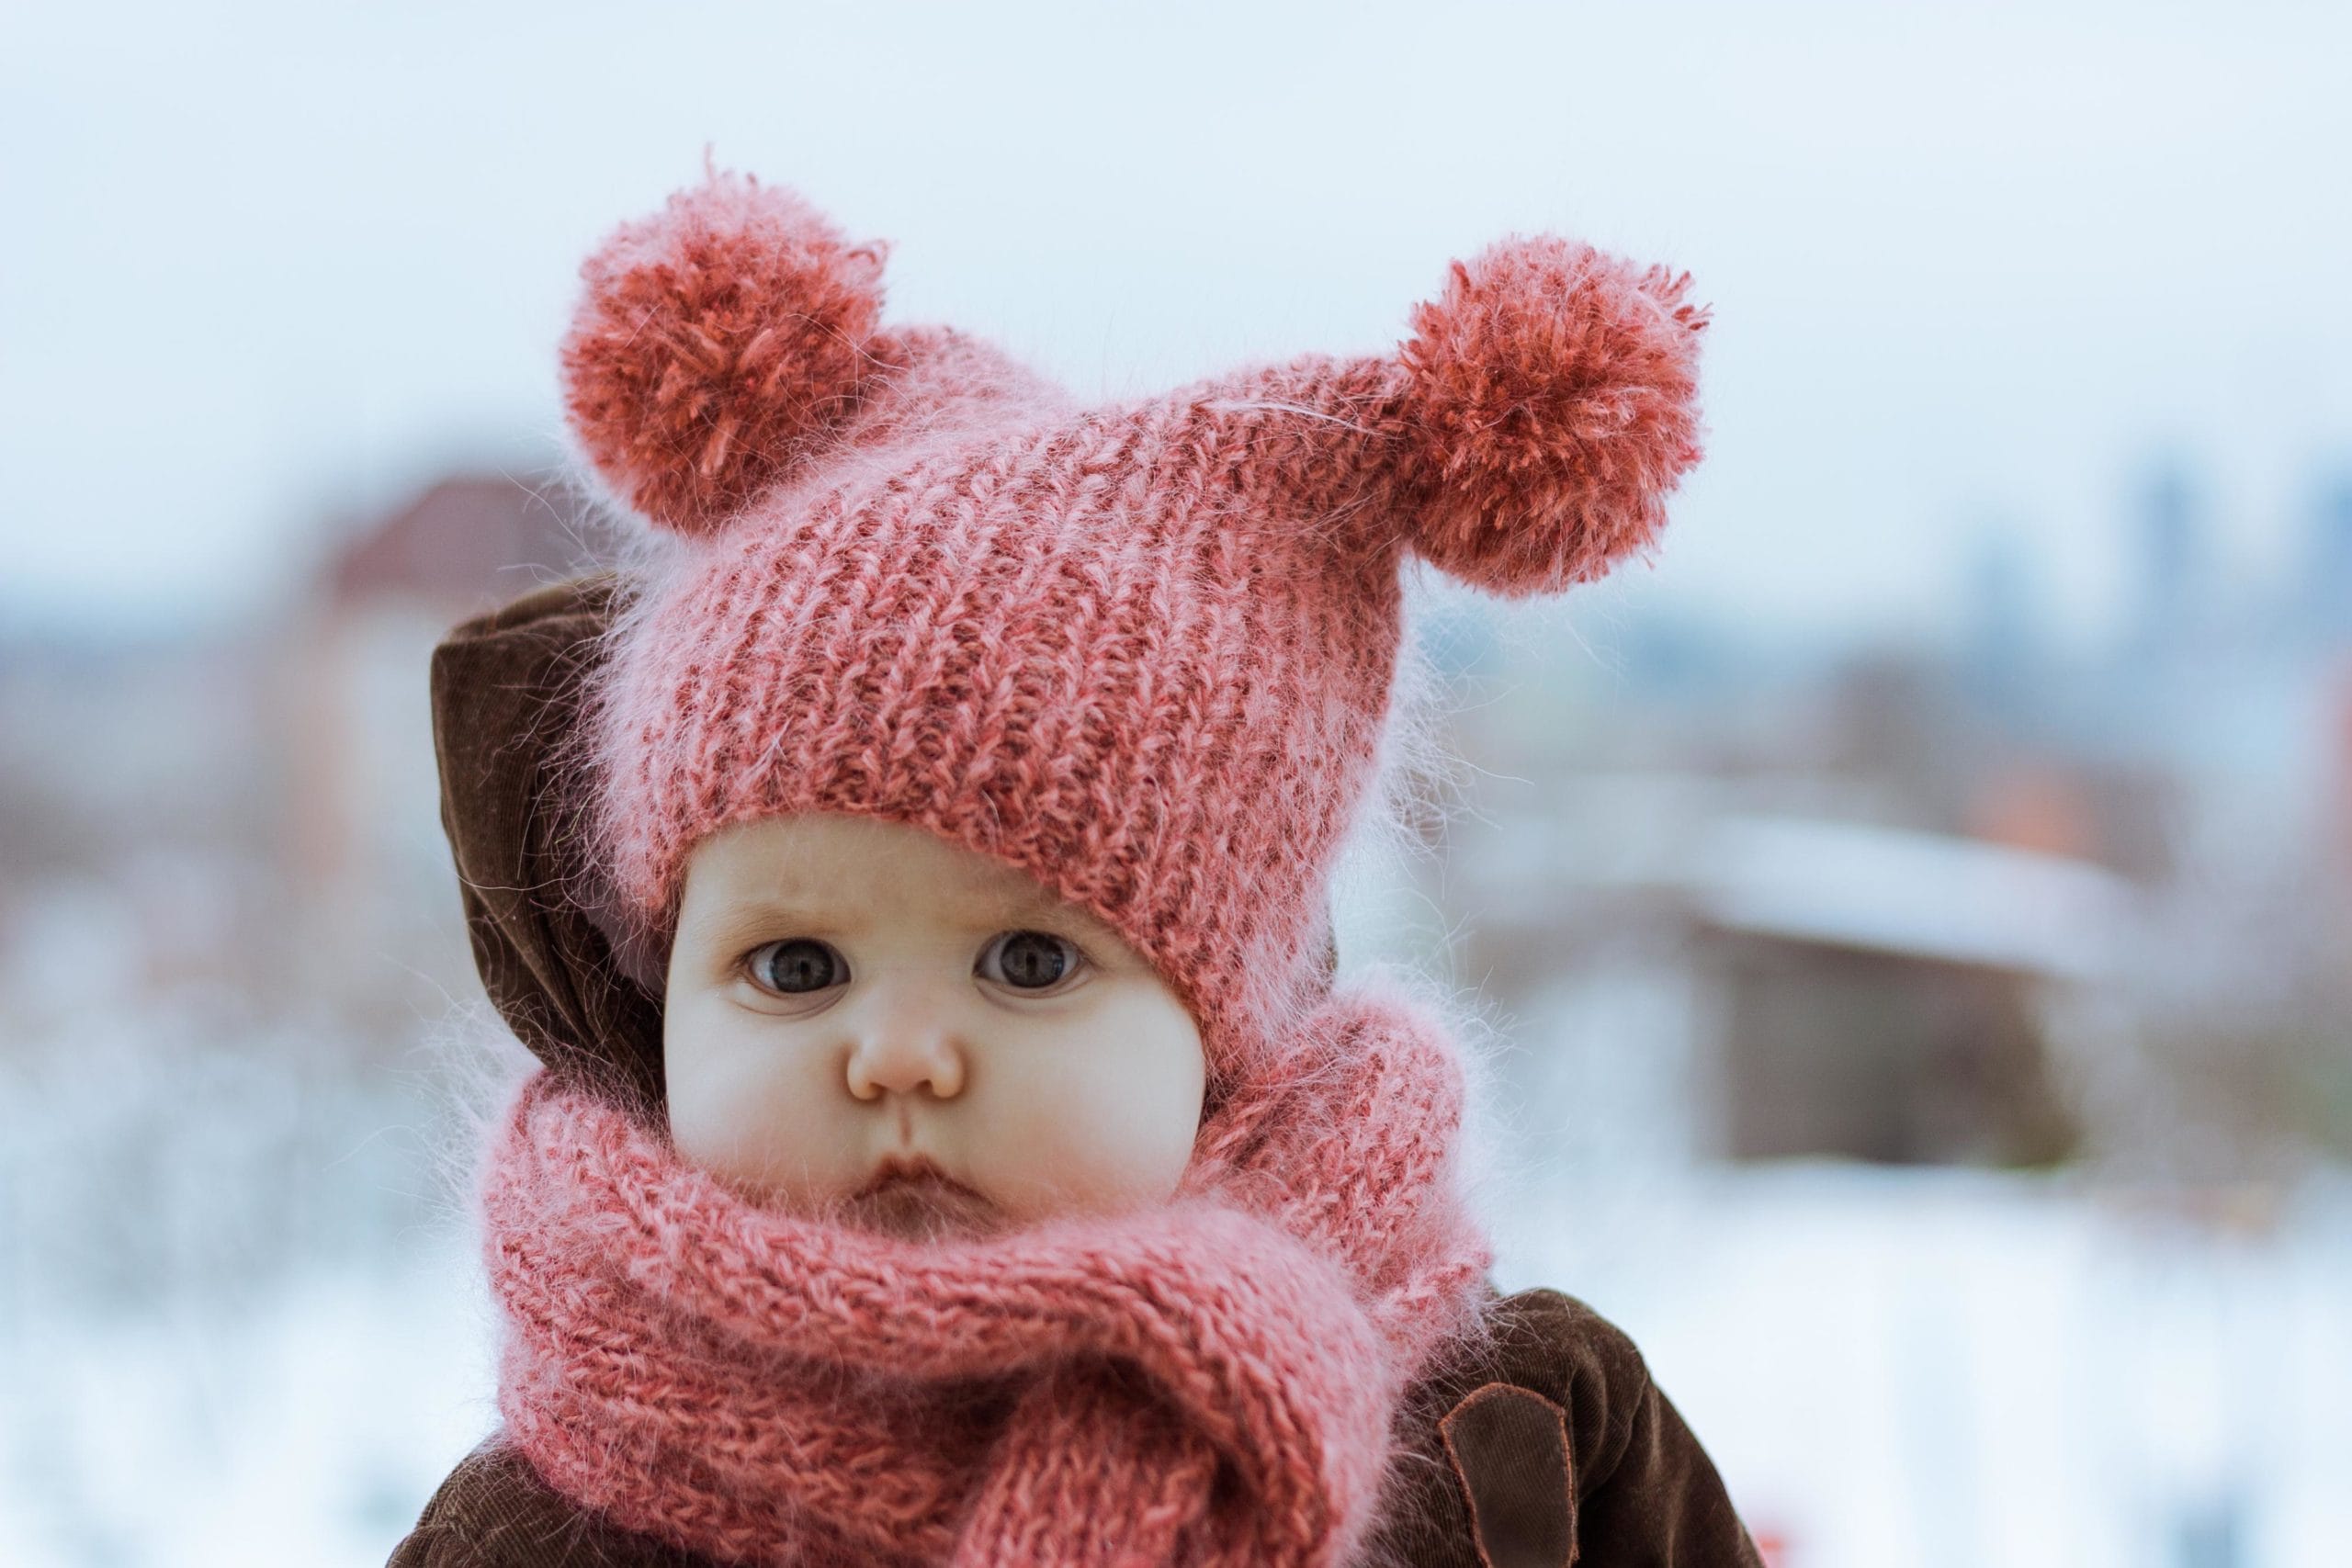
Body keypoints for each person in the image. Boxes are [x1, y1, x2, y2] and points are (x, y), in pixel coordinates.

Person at [389, 168, 1763, 1567]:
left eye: (1032, 962)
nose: (901, 1056)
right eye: (794, 968)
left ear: (1223, 1028)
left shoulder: (1512, 1437)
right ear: (664, 991)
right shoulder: (546, 1528)